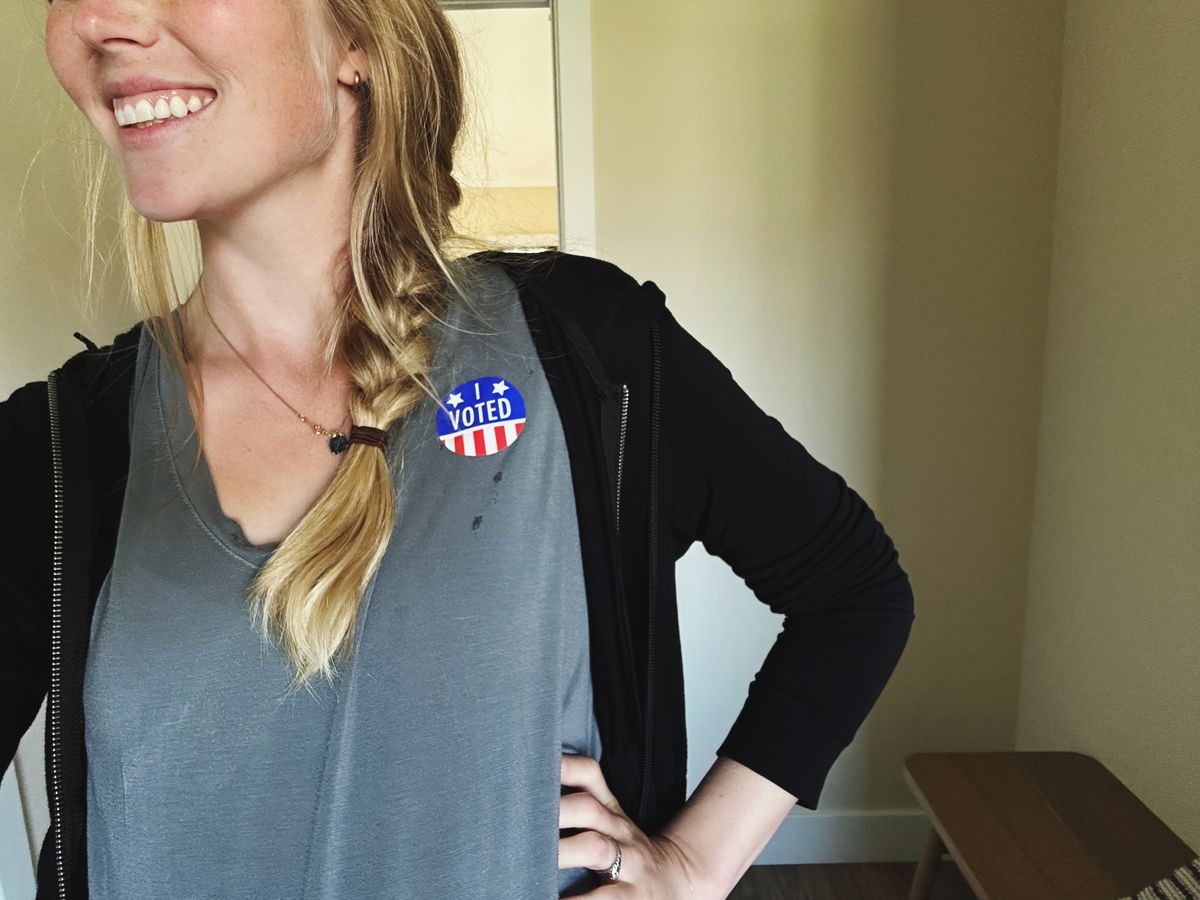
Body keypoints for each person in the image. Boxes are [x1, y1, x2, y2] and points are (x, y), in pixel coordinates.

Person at [0, 0, 916, 897]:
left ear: (355, 38)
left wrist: (693, 867)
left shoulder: (588, 353)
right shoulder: (52, 451)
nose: (101, 18)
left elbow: (854, 593)